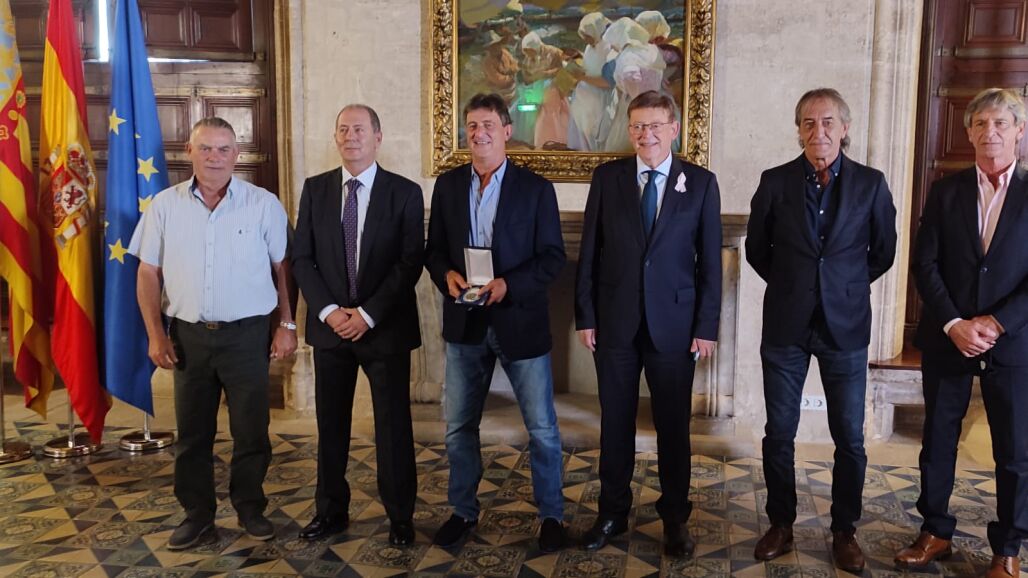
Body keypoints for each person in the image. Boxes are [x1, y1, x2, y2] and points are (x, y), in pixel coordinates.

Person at [745, 88, 897, 573]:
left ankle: (844, 530)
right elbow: (757, 249)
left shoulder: (871, 184)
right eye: (809, 123)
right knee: (779, 433)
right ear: (799, 130)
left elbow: (884, 251)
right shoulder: (774, 181)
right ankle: (781, 523)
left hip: (844, 329)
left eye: (828, 122)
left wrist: (841, 286)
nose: (819, 132)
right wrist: (795, 285)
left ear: (844, 128)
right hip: (786, 326)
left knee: (850, 437)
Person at [129, 117, 297, 550]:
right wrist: (155, 335)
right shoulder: (164, 205)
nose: (215, 158)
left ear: (237, 155)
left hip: (248, 337)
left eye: (224, 149)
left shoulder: (263, 204)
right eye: (205, 148)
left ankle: (250, 507)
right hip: (189, 337)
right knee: (193, 434)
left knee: (251, 431)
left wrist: (287, 324)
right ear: (189, 151)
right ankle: (197, 514)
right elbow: (147, 273)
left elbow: (283, 268)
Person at [575, 90, 721, 558]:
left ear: (673, 129)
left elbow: (709, 264)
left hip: (675, 327)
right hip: (615, 324)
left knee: (673, 427)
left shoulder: (700, 183)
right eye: (638, 126)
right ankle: (612, 512)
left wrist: (706, 326)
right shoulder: (608, 178)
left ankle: (675, 518)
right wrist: (586, 315)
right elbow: (589, 253)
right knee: (614, 423)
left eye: (655, 125)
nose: (646, 135)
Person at [425, 92, 567, 552]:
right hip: (464, 323)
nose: (479, 133)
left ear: (507, 131)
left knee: (542, 429)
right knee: (458, 427)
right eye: (471, 126)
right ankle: (463, 511)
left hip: (519, 322)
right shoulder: (448, 186)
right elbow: (433, 251)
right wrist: (445, 274)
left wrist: (510, 284)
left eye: (488, 125)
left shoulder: (536, 189)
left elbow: (552, 258)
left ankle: (551, 516)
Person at [899, 87, 1028, 578]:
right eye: (980, 124)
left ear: (1019, 131)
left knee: (1015, 451)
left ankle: (1007, 549)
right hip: (948, 337)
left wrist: (996, 322)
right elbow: (925, 263)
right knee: (938, 441)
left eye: (1000, 123)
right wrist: (954, 323)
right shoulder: (946, 190)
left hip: (1013, 341)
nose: (989, 132)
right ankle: (935, 531)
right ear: (968, 133)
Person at [291, 104, 423, 546]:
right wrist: (330, 311)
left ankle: (400, 516)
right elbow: (302, 259)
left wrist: (366, 314)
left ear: (378, 137)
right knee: (331, 426)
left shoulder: (404, 192)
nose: (351, 137)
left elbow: (409, 262)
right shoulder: (315, 189)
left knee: (393, 428)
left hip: (384, 328)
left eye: (360, 129)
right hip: (330, 330)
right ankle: (330, 511)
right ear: (336, 137)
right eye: (343, 129)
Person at [567, 12, 613, 152]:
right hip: (583, 97)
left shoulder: (608, 48)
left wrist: (582, 77)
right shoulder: (589, 47)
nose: (585, 39)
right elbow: (590, 66)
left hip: (599, 100)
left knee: (594, 134)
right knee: (581, 132)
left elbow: (608, 81)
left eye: (587, 35)